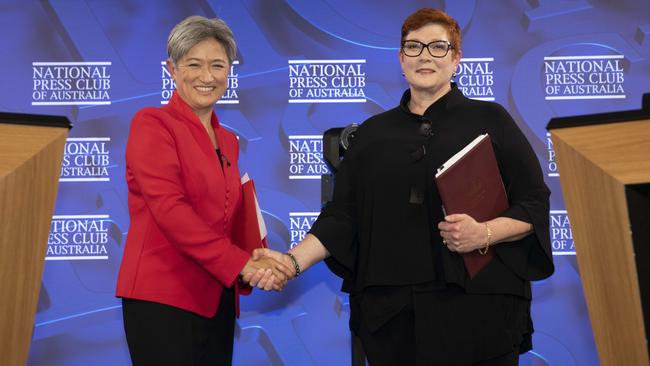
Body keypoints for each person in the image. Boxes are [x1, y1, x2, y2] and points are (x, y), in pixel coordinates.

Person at [248, 8, 554, 366]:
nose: (425, 55)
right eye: (414, 46)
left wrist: (484, 233)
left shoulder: (491, 120)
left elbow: (534, 203)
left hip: (480, 314)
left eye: (438, 47)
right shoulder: (371, 135)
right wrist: (289, 262)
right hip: (393, 320)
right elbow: (341, 219)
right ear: (401, 59)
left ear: (456, 59)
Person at [115, 15, 292, 365]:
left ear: (230, 70)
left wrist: (253, 258)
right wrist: (241, 264)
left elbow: (225, 215)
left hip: (216, 298)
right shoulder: (152, 124)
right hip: (162, 297)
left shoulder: (227, 139)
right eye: (193, 65)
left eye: (217, 65)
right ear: (172, 69)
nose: (207, 76)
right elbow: (171, 210)